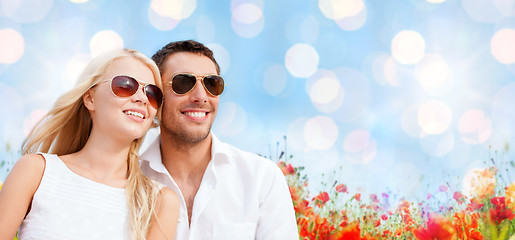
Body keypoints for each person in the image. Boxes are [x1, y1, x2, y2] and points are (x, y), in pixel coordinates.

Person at [0, 48, 179, 240]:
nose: (142, 99)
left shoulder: (160, 202)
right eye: (126, 85)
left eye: (152, 94)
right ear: (90, 98)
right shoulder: (35, 171)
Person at [141, 40, 299, 239]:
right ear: (155, 95)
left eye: (211, 84)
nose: (201, 97)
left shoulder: (262, 179)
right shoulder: (129, 177)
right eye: (183, 83)